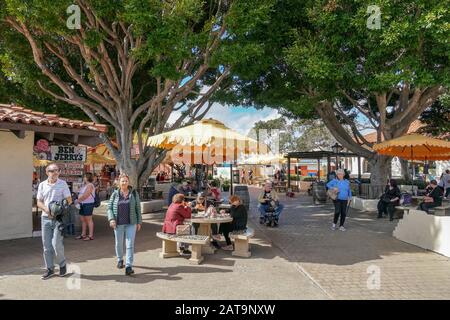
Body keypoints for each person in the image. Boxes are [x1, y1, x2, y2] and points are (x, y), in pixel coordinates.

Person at [36, 163, 72, 280]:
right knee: (46, 246)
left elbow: (69, 200)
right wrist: (47, 209)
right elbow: (39, 202)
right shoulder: (42, 185)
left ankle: (62, 265)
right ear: (47, 172)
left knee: (56, 244)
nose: (55, 172)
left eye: (57, 170)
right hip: (45, 218)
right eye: (52, 171)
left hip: (58, 219)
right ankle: (50, 269)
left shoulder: (63, 184)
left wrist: (59, 208)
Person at [107, 174, 142, 276]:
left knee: (130, 244)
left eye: (126, 181)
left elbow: (138, 208)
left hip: (131, 223)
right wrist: (111, 219)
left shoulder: (134, 194)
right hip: (118, 223)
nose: (124, 183)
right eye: (122, 181)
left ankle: (128, 266)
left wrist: (139, 222)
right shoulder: (115, 194)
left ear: (128, 182)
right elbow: (109, 208)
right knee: (119, 243)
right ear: (119, 183)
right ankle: (119, 259)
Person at [74, 172, 96, 240]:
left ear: (87, 178)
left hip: (88, 204)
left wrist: (78, 201)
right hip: (82, 204)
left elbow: (86, 195)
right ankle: (83, 234)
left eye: (84, 177)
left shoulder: (90, 185)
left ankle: (90, 235)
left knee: (89, 220)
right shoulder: (84, 185)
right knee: (83, 220)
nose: (83, 178)